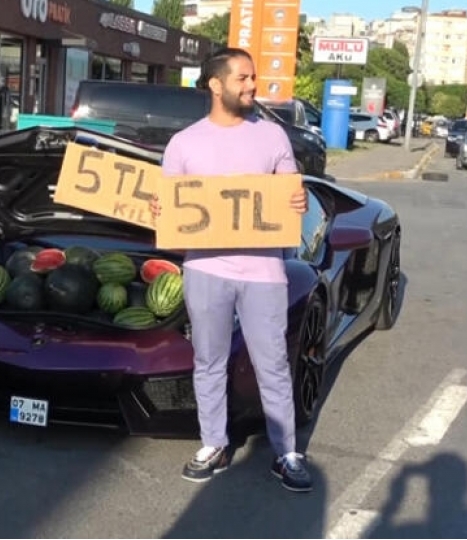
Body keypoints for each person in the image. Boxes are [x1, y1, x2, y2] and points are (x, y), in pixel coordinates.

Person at [150, 47, 312, 492]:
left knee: (272, 363)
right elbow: (169, 211)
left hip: (264, 271)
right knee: (209, 360)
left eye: (253, 77)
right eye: (243, 78)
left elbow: (288, 196)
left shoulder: (273, 137)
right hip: (206, 270)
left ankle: (287, 453)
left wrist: (297, 200)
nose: (252, 85)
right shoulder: (184, 143)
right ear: (215, 84)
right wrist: (160, 209)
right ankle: (213, 444)